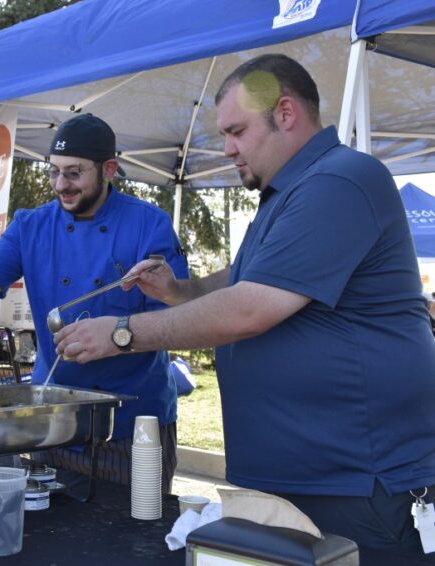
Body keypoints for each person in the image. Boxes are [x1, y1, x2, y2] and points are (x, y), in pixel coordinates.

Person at [54, 54, 435, 560]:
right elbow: (243, 278)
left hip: (356, 482)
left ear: (284, 113)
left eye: (236, 131)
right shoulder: (286, 196)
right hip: (301, 481)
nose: (227, 148)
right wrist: (179, 292)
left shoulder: (340, 180)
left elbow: (250, 308)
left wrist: (122, 332)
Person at [0, 113, 188, 489]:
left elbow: (179, 323)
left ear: (109, 168)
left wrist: (117, 335)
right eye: (53, 172)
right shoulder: (30, 225)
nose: (61, 185)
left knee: (131, 536)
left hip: (133, 426)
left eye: (74, 173)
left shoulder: (149, 225)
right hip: (51, 420)